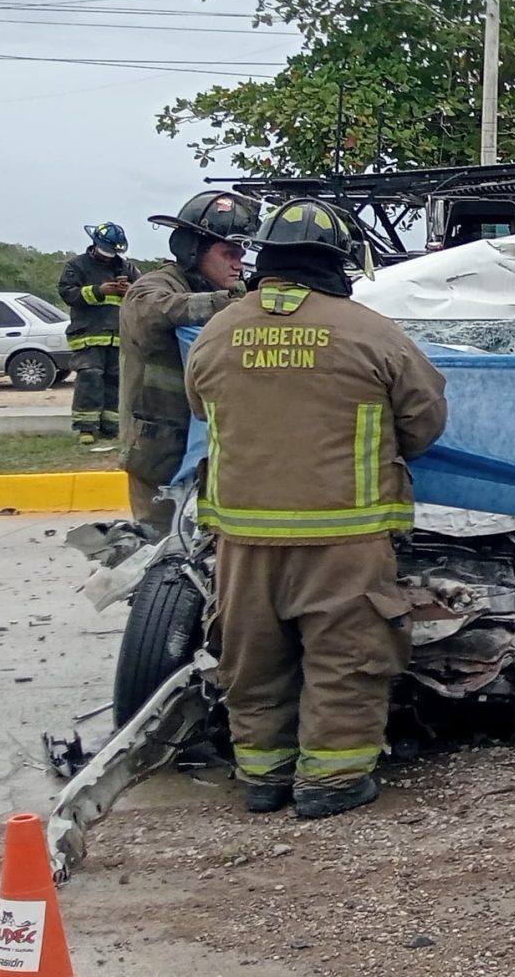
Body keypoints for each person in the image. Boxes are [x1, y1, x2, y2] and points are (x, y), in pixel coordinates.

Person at [187, 199, 447, 820]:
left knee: (252, 657)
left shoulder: (218, 332)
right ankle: (331, 783)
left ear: (265, 258)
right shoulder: (370, 331)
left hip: (243, 538)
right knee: (347, 659)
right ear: (340, 262)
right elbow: (425, 418)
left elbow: (202, 409)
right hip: (344, 534)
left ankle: (263, 777)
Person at [119, 191, 258, 526]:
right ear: (193, 250)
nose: (238, 263)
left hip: (209, 451)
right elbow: (153, 312)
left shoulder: (227, 292)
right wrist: (228, 304)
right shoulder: (153, 286)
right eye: (228, 253)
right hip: (158, 454)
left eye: (240, 253)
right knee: (159, 549)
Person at [59, 223, 141, 447]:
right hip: (89, 335)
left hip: (118, 335)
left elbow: (144, 292)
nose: (109, 256)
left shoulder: (126, 267)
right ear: (96, 244)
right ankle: (86, 428)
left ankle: (110, 427)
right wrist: (99, 290)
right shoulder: (77, 266)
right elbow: (68, 293)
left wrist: (130, 291)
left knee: (116, 381)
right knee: (90, 378)